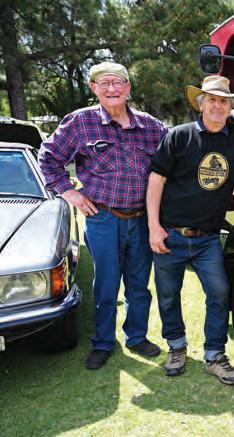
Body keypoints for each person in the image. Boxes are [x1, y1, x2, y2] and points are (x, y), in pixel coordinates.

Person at [38, 62, 167, 369]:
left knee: (139, 283)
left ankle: (137, 337)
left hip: (142, 219)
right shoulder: (80, 122)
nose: (112, 89)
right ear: (94, 88)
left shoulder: (151, 127)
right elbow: (48, 157)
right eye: (104, 83)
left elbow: (175, 158)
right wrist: (69, 192)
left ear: (128, 87)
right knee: (106, 284)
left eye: (118, 82)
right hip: (103, 218)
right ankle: (104, 342)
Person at [147, 75, 234, 382]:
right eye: (212, 100)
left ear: (230, 107)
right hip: (171, 234)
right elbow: (156, 179)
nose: (218, 106)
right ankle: (176, 347)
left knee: (219, 293)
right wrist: (154, 227)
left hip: (208, 239)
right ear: (201, 104)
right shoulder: (179, 136)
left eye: (224, 101)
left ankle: (214, 355)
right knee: (168, 295)